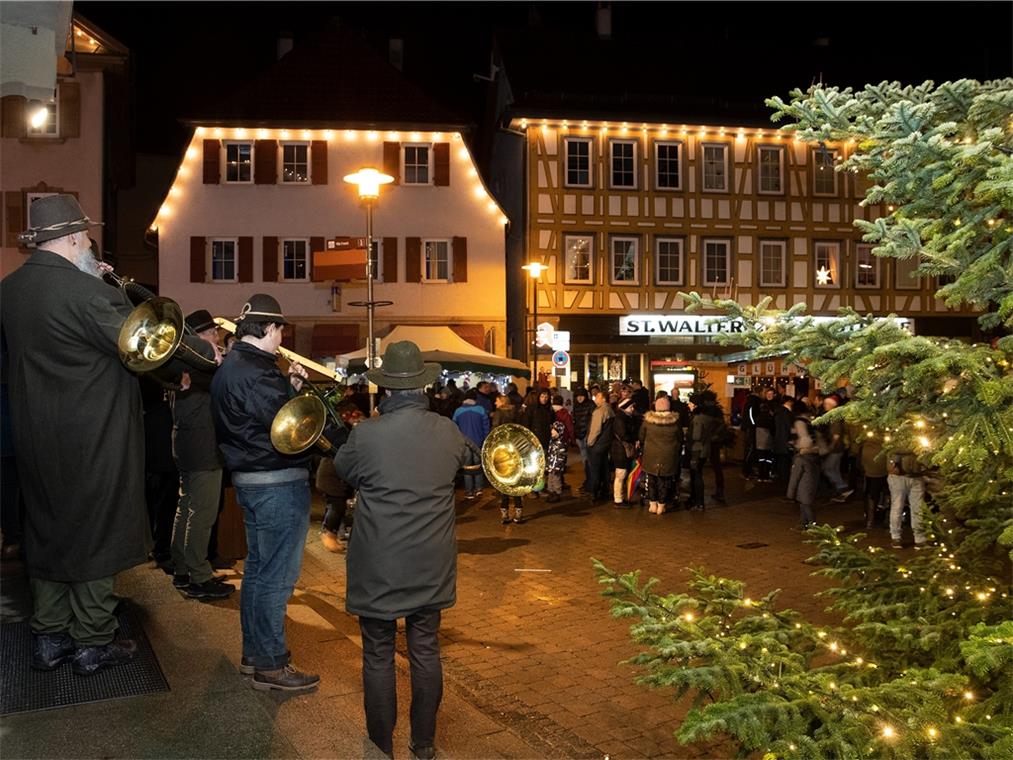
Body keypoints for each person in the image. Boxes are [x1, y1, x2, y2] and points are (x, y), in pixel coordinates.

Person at [1, 195, 148, 675]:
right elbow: (141, 345)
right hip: (94, 435)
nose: (88, 242)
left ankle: (49, 636)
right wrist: (111, 288)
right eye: (84, 235)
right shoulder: (91, 293)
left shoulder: (10, 290)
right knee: (95, 531)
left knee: (46, 530)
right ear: (69, 238)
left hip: (35, 433)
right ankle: (92, 640)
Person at [334, 341, 476, 760]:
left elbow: (341, 470)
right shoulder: (447, 430)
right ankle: (424, 743)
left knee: (377, 653)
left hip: (379, 561)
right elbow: (466, 461)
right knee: (426, 648)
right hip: (430, 560)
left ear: (388, 390)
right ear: (424, 388)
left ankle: (381, 747)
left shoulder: (367, 435)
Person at [211, 293, 341, 692]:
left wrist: (290, 384)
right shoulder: (258, 373)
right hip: (276, 483)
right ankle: (270, 664)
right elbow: (290, 429)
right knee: (276, 578)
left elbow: (261, 418)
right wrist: (298, 394)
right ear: (269, 329)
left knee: (258, 572)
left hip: (251, 481)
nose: (282, 338)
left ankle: (255, 656)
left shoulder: (234, 366)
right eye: (281, 330)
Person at [169, 309, 232, 599]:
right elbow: (224, 385)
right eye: (212, 333)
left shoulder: (184, 362)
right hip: (203, 445)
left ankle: (183, 568)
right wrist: (228, 357)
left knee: (186, 507)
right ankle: (199, 575)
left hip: (187, 444)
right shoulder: (200, 363)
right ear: (199, 337)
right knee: (202, 513)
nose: (217, 338)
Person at [638, 395, 682, 514]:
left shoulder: (648, 422)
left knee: (651, 480)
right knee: (665, 482)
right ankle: (662, 506)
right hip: (668, 456)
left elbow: (641, 437)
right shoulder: (675, 422)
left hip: (651, 455)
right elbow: (680, 438)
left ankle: (652, 504)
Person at [786, 400, 820, 530]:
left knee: (805, 501)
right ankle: (804, 522)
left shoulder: (799, 422)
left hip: (805, 455)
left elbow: (805, 439)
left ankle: (811, 524)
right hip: (813, 456)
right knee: (804, 500)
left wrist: (798, 446)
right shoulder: (809, 420)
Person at [686, 391, 721, 511]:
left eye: (690, 403)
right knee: (698, 474)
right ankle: (698, 501)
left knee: (696, 475)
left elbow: (696, 436)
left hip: (697, 450)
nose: (688, 405)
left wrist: (687, 435)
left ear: (695, 405)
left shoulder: (697, 419)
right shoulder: (707, 417)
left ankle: (698, 502)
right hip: (704, 449)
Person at [815, 395, 854, 501]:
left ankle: (842, 488)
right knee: (834, 469)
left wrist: (831, 446)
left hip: (836, 449)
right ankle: (842, 490)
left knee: (827, 468)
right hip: (839, 448)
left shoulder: (834, 418)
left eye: (827, 404)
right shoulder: (835, 416)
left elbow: (836, 435)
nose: (825, 405)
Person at [887, 450, 929, 549]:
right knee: (906, 507)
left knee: (911, 507)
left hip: (910, 475)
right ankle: (915, 538)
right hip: (904, 475)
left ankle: (900, 538)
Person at [453, 389, 490, 499]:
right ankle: (479, 489)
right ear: (475, 398)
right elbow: (486, 426)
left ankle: (469, 491)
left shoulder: (458, 411)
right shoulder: (481, 409)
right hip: (478, 442)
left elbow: (454, 428)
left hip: (464, 443)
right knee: (478, 466)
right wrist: (485, 440)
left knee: (467, 467)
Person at [582, 388, 615, 503]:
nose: (595, 398)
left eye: (597, 396)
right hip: (605, 445)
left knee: (594, 470)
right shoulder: (610, 410)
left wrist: (589, 443)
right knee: (604, 468)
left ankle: (593, 492)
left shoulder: (600, 411)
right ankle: (605, 491)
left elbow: (595, 430)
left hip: (597, 446)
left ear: (603, 399)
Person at [544, 421, 568, 503]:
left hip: (556, 466)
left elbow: (561, 456)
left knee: (556, 479)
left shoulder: (560, 444)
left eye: (554, 431)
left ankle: (557, 493)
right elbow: (550, 453)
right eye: (552, 430)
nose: (552, 432)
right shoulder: (552, 441)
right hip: (551, 465)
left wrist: (557, 466)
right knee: (550, 479)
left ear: (559, 432)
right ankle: (551, 492)